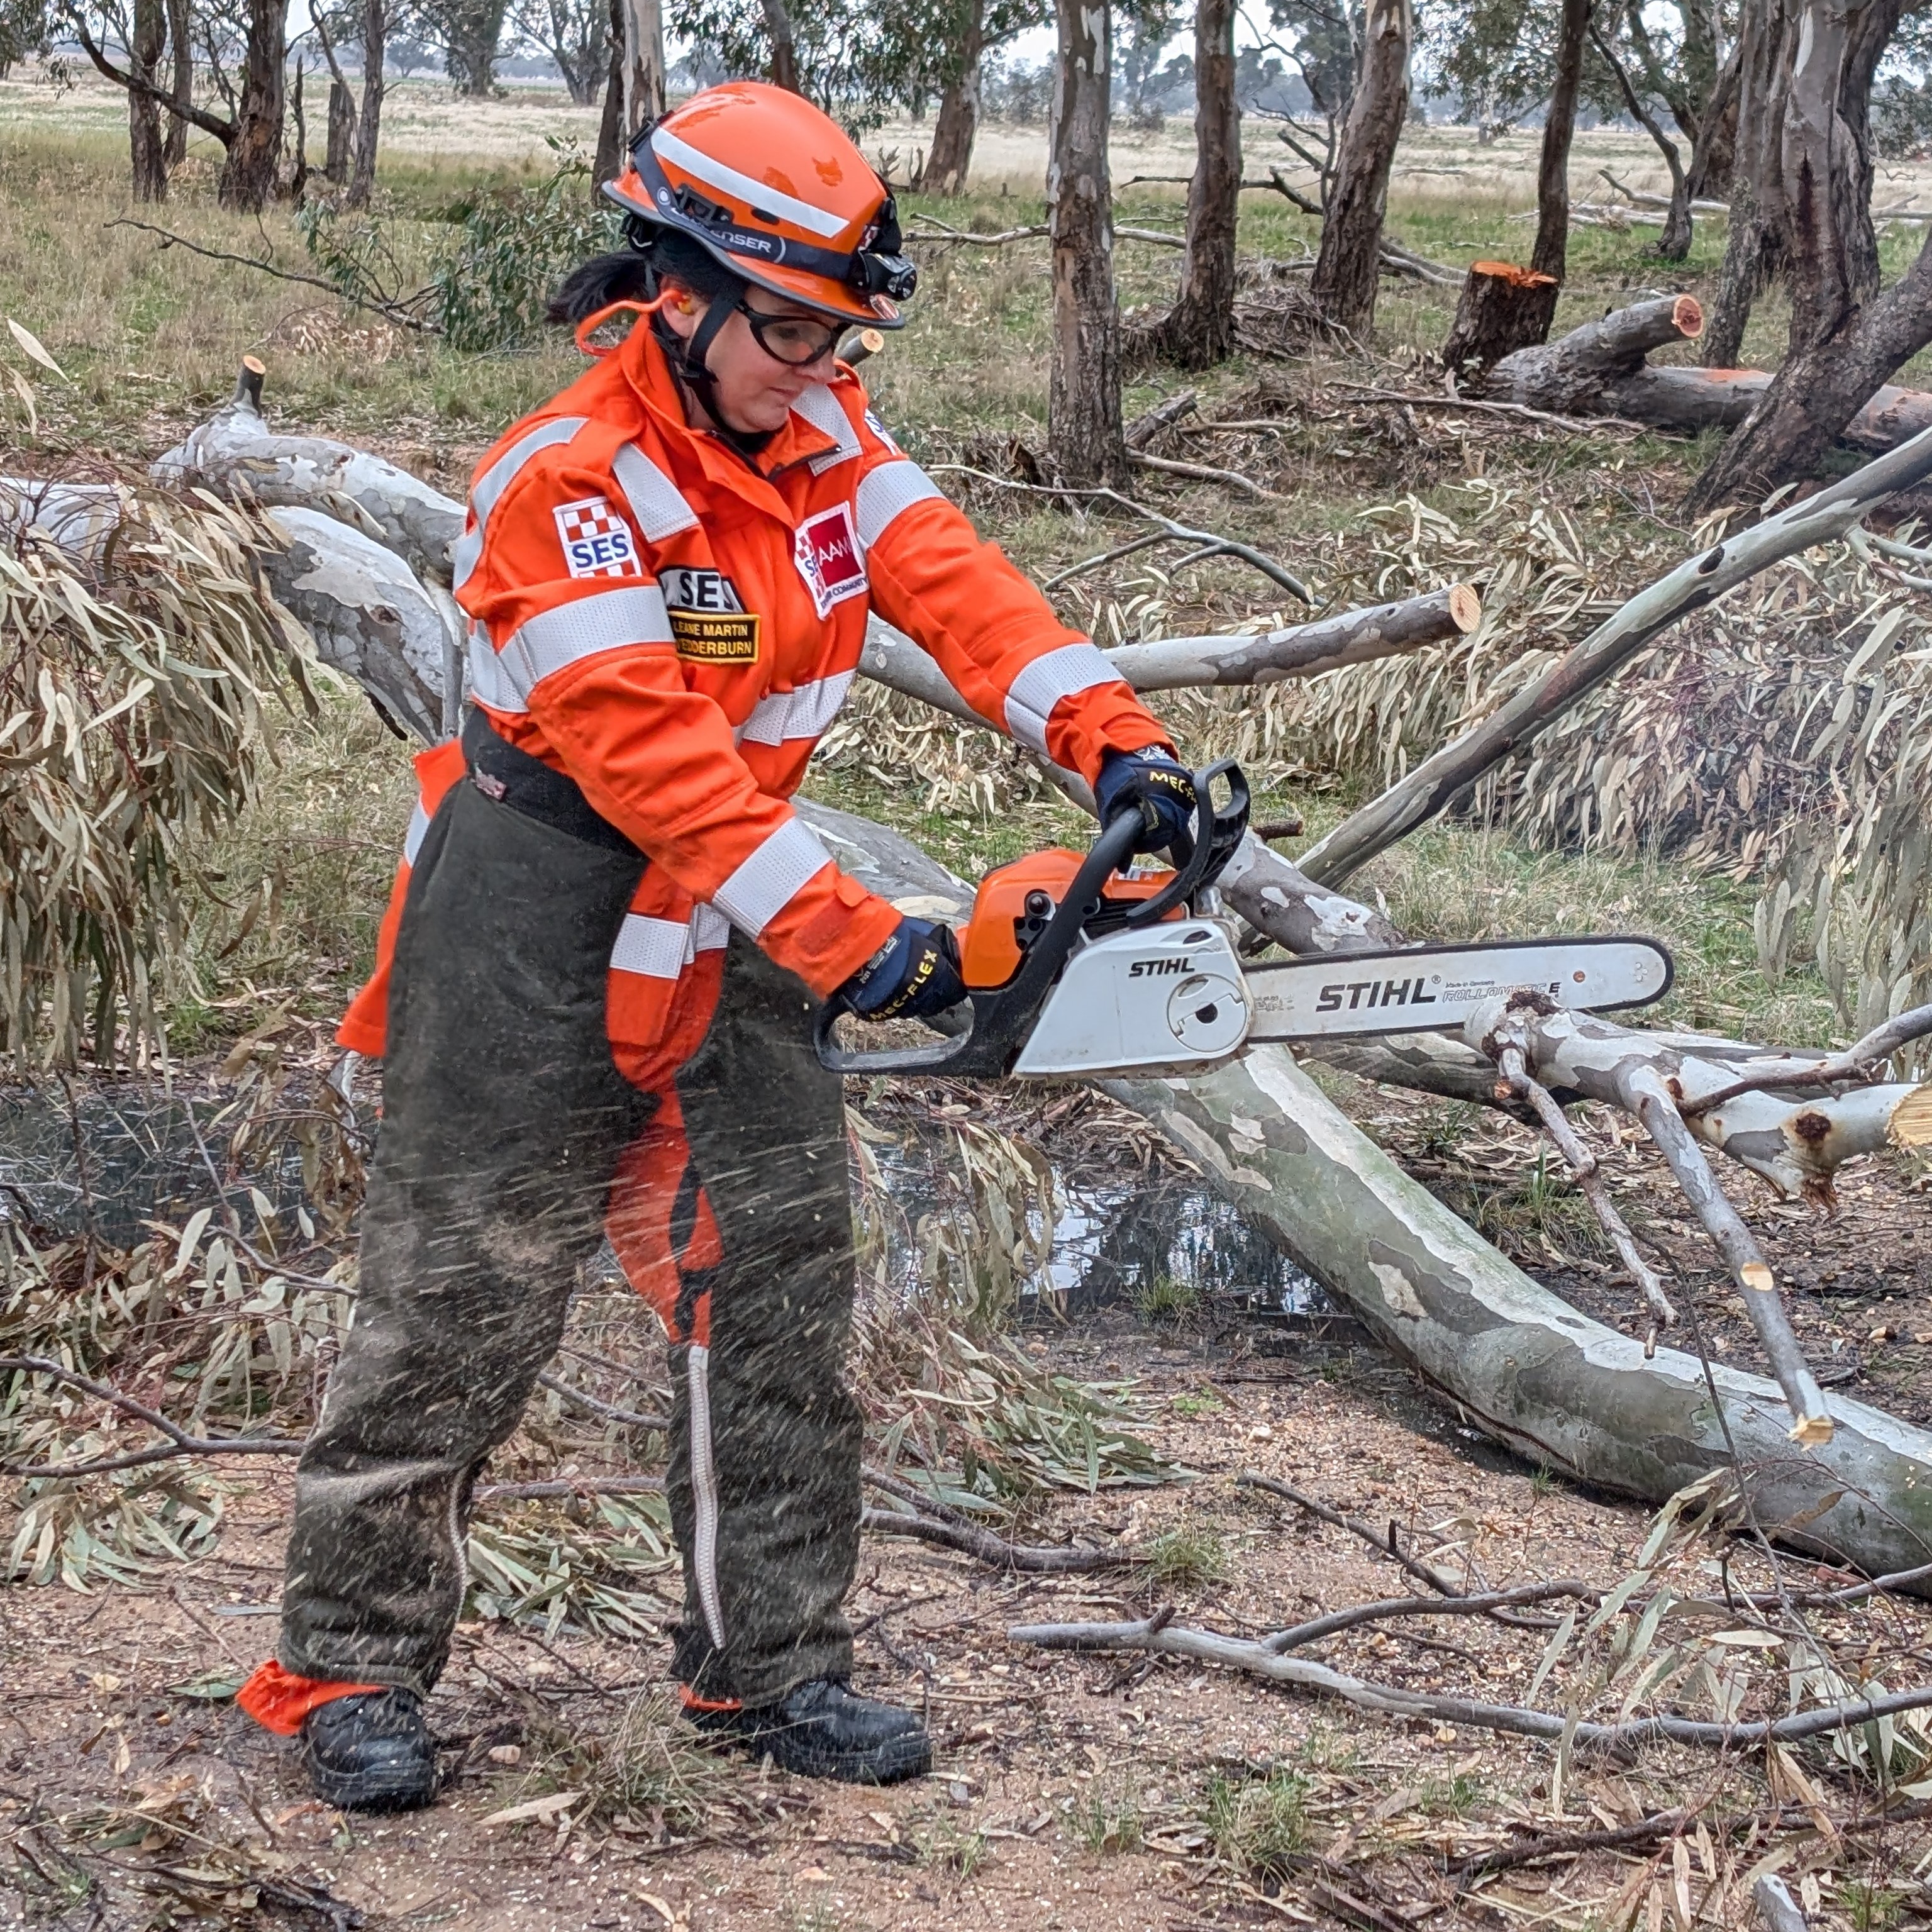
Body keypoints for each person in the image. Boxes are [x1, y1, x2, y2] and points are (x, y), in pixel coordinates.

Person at [233, 80, 1197, 1813]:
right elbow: (648, 752)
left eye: (841, 337)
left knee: (774, 1281)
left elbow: (971, 597)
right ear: (670, 289)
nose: (817, 367)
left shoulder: (832, 442)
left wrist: (1117, 745)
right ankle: (344, 1669)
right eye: (786, 330)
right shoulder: (566, 486)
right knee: (465, 1287)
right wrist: (856, 941)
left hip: (737, 898)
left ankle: (769, 1672)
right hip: (540, 899)